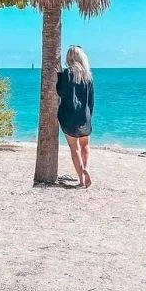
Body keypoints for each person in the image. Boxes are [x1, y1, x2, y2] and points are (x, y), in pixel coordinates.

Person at [56, 45, 94, 188]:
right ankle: (87, 168)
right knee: (85, 146)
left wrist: (59, 76)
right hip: (84, 116)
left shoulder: (66, 74)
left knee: (75, 148)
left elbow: (60, 92)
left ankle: (81, 180)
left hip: (68, 116)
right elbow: (91, 100)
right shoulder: (87, 76)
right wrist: (89, 115)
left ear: (69, 58)